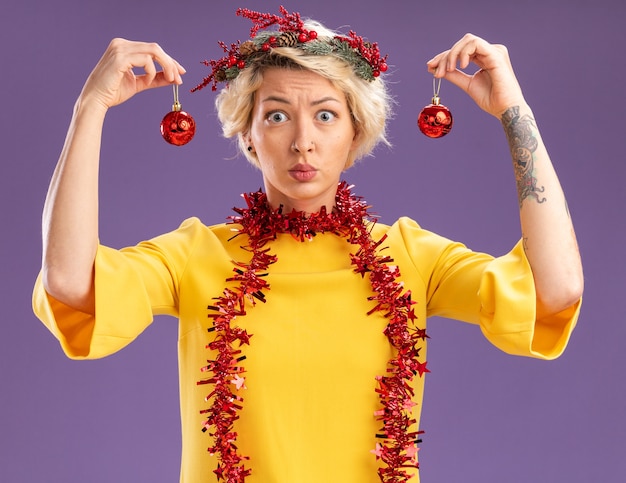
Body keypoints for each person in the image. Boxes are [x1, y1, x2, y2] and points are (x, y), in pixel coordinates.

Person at [32, 7, 583, 483]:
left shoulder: (410, 256)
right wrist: (91, 108)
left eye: (325, 115)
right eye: (276, 115)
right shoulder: (195, 254)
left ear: (356, 132)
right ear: (247, 134)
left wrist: (514, 110)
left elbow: (554, 290)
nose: (303, 140)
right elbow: (70, 280)